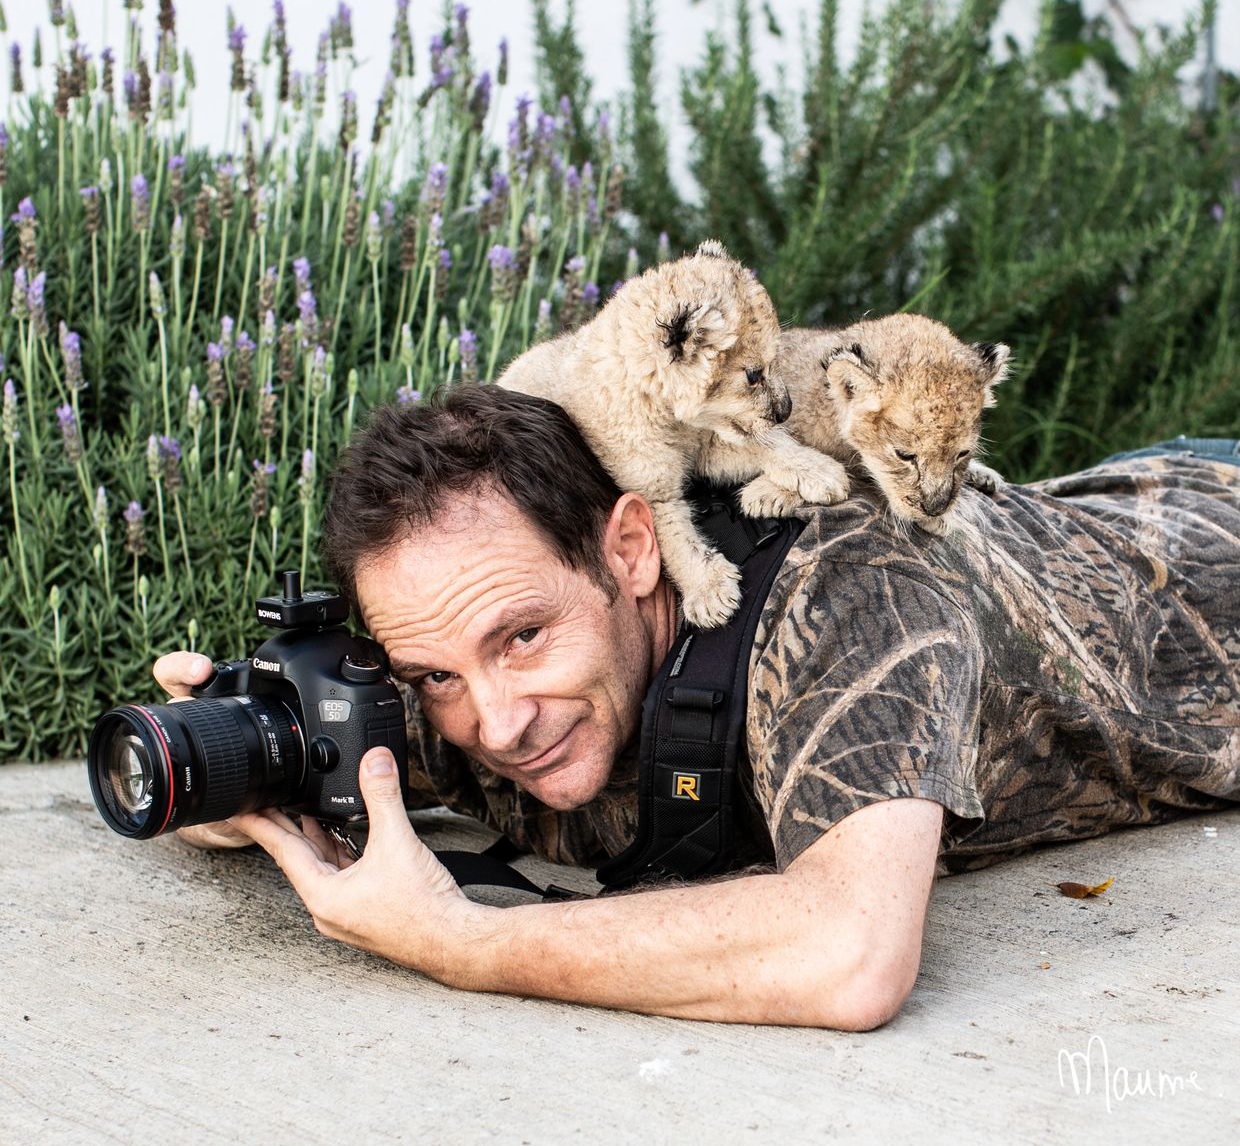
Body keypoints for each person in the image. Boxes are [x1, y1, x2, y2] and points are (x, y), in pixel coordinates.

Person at [154, 387, 1240, 1030]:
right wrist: (239, 778)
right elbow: (338, 736)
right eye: (433, 674)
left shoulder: (852, 587)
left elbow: (846, 951)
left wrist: (461, 941)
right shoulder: (466, 673)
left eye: (522, 637)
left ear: (630, 549)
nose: (495, 721)